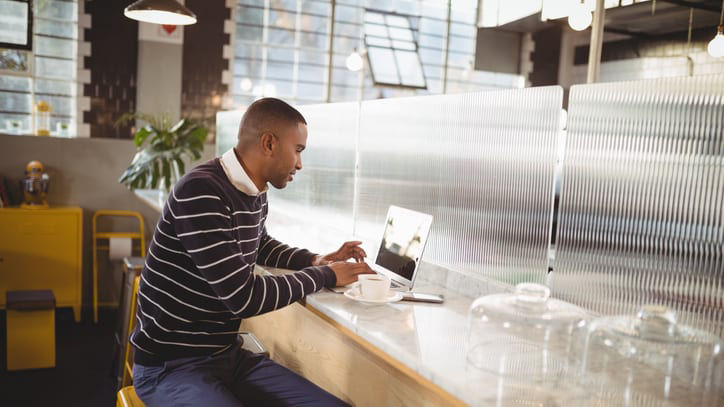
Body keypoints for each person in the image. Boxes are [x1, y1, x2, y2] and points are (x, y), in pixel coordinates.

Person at [130, 97, 374, 406]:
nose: (300, 164)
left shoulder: (254, 191)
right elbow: (241, 297)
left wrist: (313, 259)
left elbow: (259, 244)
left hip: (226, 356)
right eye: (297, 150)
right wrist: (324, 274)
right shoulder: (200, 191)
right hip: (172, 366)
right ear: (269, 143)